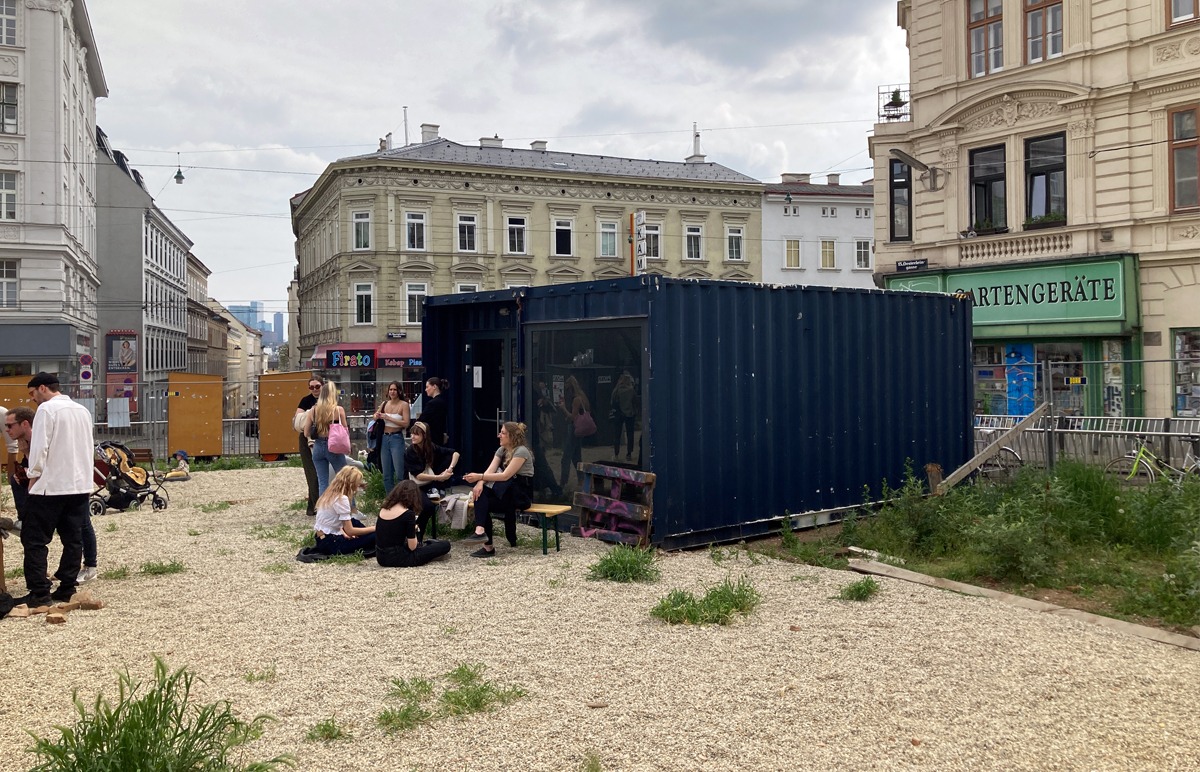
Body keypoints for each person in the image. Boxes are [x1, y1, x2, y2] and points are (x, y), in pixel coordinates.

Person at [18, 373, 95, 605]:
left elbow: (41, 447)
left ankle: (39, 592)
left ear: (42, 388)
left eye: (32, 394)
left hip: (51, 486)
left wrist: (33, 475)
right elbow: (88, 446)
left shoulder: (47, 410)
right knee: (72, 538)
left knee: (34, 539)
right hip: (79, 484)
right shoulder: (82, 410)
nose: (33, 400)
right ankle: (67, 588)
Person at [5, 405, 99, 584]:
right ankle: (24, 519)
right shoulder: (25, 440)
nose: (7, 430)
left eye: (10, 425)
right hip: (53, 486)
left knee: (82, 524)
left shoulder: (39, 436)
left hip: (67, 484)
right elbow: (29, 465)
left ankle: (89, 566)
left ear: (24, 424)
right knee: (14, 480)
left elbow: (43, 463)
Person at [463, 421, 534, 558]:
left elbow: (505, 475)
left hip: (520, 495)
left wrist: (480, 477)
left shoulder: (521, 451)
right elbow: (490, 470)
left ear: (512, 436)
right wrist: (480, 482)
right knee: (480, 495)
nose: (499, 435)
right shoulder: (501, 450)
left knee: (483, 500)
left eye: (503, 433)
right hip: (505, 493)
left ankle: (485, 542)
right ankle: (481, 533)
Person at [403, 421, 459, 540]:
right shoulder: (410, 451)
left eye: (416, 434)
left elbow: (455, 453)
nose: (412, 436)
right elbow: (418, 476)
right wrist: (439, 477)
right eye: (412, 433)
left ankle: (418, 534)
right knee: (427, 506)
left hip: (428, 484)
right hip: (412, 485)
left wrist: (449, 469)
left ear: (424, 436)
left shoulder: (431, 447)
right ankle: (416, 535)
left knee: (446, 457)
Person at [375, 480, 451, 567]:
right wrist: (413, 530)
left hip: (381, 557)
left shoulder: (383, 509)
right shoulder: (408, 514)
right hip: (400, 558)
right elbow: (412, 547)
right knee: (445, 545)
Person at [312, 466, 376, 556]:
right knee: (375, 535)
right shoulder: (342, 498)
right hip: (332, 543)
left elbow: (333, 521)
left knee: (354, 522)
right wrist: (375, 528)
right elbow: (350, 531)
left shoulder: (328, 494)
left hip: (322, 539)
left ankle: (364, 537)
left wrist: (343, 532)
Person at [303, 381, 349, 497]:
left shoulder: (313, 410)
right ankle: (351, 509)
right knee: (344, 479)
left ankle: (323, 512)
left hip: (318, 447)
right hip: (334, 447)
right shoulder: (338, 410)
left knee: (323, 482)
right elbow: (345, 430)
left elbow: (306, 432)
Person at [374, 381, 411, 493]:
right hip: (384, 438)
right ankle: (390, 498)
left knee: (399, 472)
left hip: (396, 438)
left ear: (399, 391)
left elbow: (406, 423)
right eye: (390, 389)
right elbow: (375, 416)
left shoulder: (404, 405)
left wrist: (389, 418)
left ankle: (402, 498)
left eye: (395, 389)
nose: (392, 392)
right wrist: (376, 416)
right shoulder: (385, 404)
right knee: (387, 473)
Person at [295, 375, 323, 516]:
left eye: (317, 386)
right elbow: (298, 420)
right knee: (312, 473)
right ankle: (314, 506)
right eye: (311, 387)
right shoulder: (306, 400)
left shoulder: (329, 399)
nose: (314, 389)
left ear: (322, 386)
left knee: (324, 473)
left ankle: (318, 506)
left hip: (325, 437)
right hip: (307, 438)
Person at [558, 376, 590, 489]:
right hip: (579, 430)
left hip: (574, 429)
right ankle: (581, 479)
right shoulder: (582, 397)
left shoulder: (576, 399)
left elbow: (572, 417)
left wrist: (563, 408)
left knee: (565, 458)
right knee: (576, 456)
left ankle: (563, 483)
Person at [610, 371, 639, 462]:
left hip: (618, 414)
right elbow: (635, 402)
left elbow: (612, 402)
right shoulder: (631, 390)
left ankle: (616, 454)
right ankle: (629, 454)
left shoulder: (616, 390)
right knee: (630, 434)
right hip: (630, 414)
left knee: (617, 435)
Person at [416, 377, 450, 445]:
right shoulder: (443, 401)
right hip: (439, 435)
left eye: (427, 387)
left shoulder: (432, 403)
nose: (426, 390)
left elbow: (422, 419)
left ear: (434, 386)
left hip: (432, 437)